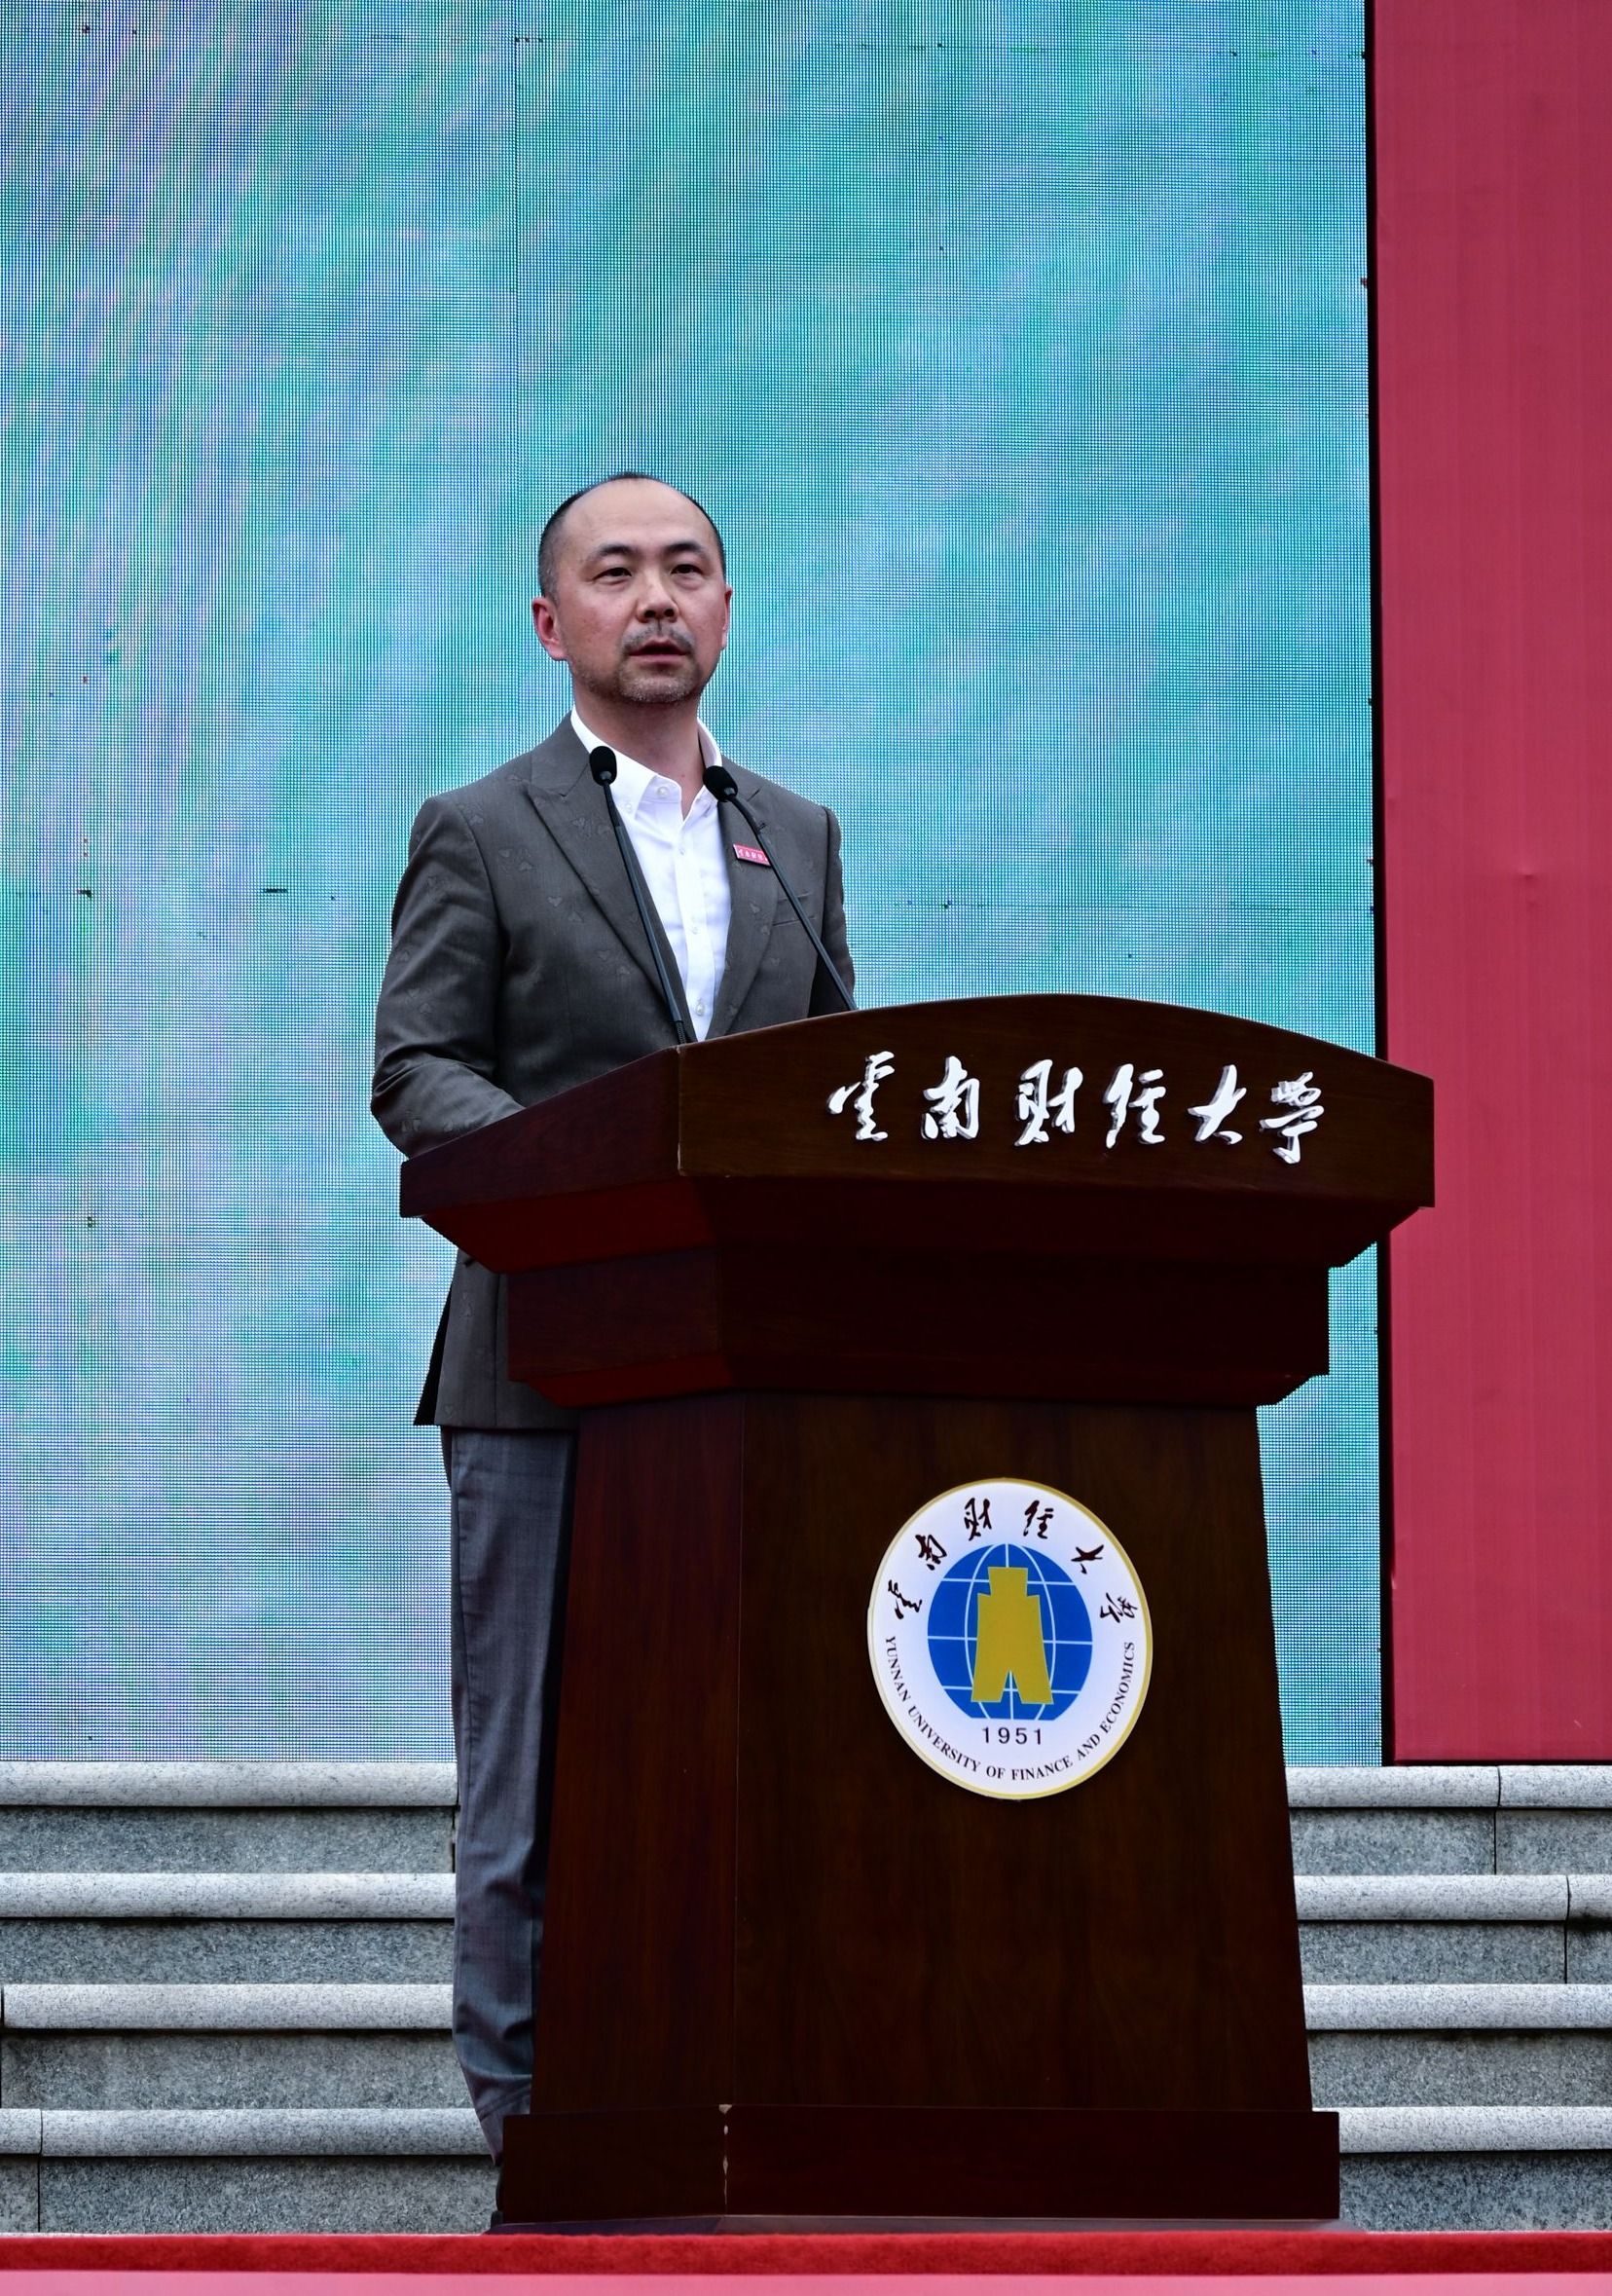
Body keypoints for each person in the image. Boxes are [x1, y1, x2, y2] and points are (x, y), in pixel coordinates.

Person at [370, 473, 854, 2165]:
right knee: (529, 1772)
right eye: (617, 572)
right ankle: (526, 2128)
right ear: (550, 620)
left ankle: (723, 2094)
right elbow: (417, 1068)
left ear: (725, 608)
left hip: (740, 1383)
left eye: (687, 570)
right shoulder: (481, 825)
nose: (656, 599)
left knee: (734, 1752)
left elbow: (829, 1081)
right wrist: (591, 1185)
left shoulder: (794, 836)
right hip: (540, 1363)